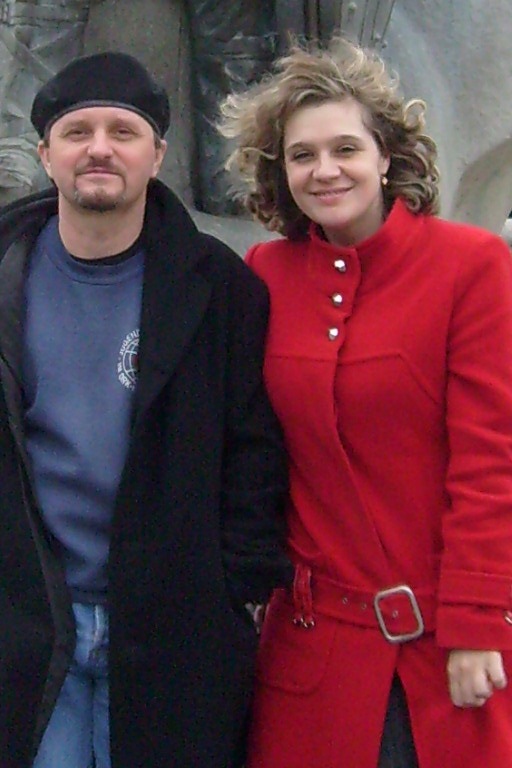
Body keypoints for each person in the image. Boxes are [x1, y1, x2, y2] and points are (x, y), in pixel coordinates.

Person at [219, 37, 512, 768]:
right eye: (302, 155)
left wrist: (477, 623)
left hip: (445, 655)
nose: (325, 170)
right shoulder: (265, 273)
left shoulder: (471, 266)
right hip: (309, 661)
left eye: (345, 148)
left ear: (386, 156)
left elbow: (489, 460)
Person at [0, 50, 292, 768]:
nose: (99, 148)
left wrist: (236, 590)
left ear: (157, 155)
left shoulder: (218, 287)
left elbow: (252, 448)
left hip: (172, 629)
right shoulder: (5, 274)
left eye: (123, 132)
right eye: (77, 132)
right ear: (45, 154)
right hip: (32, 624)